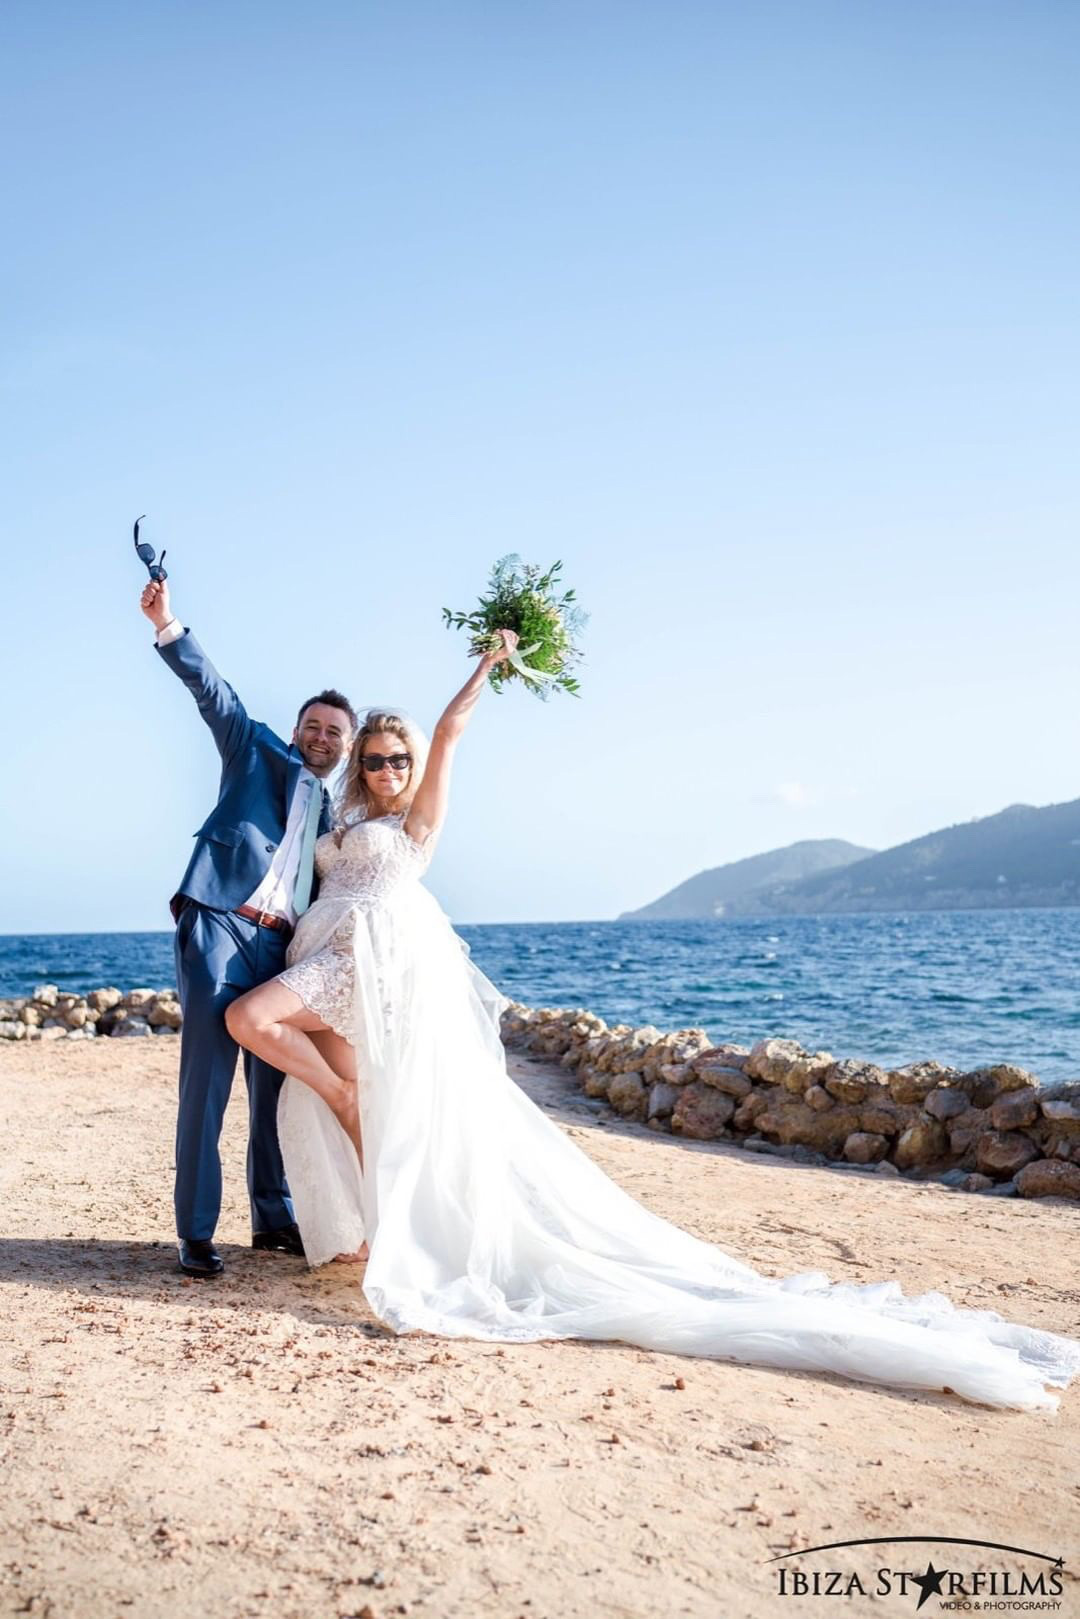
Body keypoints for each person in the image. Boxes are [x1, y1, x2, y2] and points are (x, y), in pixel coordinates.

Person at [226, 634, 1080, 1412]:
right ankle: (380, 1233)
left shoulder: (416, 820)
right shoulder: (337, 814)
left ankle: (356, 1132)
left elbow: (451, 732)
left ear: (409, 765)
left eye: (393, 756)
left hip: (374, 957)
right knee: (372, 1097)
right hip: (327, 947)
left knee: (271, 1034)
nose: (382, 765)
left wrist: (485, 668)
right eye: (372, 756)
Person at [141, 576, 356, 1278]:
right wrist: (169, 623)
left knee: (275, 1086)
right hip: (221, 924)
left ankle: (273, 1218)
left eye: (335, 733)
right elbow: (213, 690)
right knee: (207, 1082)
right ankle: (195, 1231)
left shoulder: (332, 812)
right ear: (298, 730)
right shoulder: (254, 746)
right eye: (314, 726)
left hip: (282, 948)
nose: (322, 738)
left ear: (345, 748)